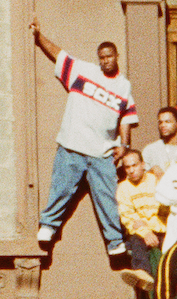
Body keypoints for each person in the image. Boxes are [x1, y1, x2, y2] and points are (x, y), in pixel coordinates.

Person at [30, 22, 138, 258]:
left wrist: (124, 144)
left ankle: (115, 243)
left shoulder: (124, 85)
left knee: (108, 197)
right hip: (72, 145)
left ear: (116, 56)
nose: (105, 61)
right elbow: (59, 54)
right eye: (101, 57)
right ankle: (48, 225)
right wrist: (39, 37)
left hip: (102, 153)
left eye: (109, 56)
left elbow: (126, 118)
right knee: (61, 189)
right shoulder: (83, 71)